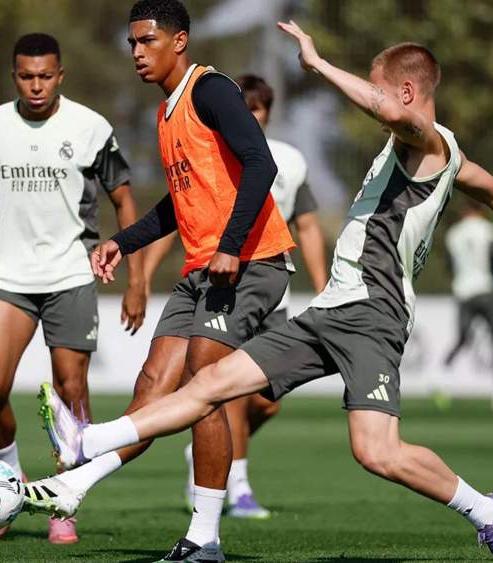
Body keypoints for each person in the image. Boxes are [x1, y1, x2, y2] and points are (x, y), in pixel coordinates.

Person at [26, 20, 493, 563]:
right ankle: (88, 444)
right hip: (331, 308)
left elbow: (398, 117)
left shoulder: (428, 139)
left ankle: (487, 511)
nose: (373, 104)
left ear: (404, 92)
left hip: (374, 313)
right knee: (212, 383)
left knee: (377, 453)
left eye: (378, 89)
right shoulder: (446, 159)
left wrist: (320, 65)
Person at [31, 1, 295, 560]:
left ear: (179, 40)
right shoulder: (166, 113)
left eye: (146, 41)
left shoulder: (211, 89)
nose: (136, 52)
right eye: (131, 43)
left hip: (250, 266)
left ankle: (204, 537)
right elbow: (179, 205)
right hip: (202, 271)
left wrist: (229, 247)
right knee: (152, 388)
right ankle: (74, 484)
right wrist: (120, 243)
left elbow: (261, 164)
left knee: (203, 380)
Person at [0, 32, 146, 544]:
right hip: (9, 276)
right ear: (15, 76)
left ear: (61, 75)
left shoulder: (91, 127)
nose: (36, 86)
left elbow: (124, 200)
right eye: (27, 76)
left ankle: (63, 501)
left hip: (71, 275)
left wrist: (137, 279)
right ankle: (11, 485)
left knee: (71, 395)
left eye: (45, 76)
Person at [180, 73, 328, 520]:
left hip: (273, 292)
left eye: (259, 108)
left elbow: (306, 225)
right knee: (235, 397)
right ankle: (236, 488)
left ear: (268, 111)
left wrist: (322, 288)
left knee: (269, 401)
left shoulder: (289, 161)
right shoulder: (213, 156)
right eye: (245, 107)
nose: (251, 115)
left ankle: (203, 451)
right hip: (231, 289)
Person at [443, 201, 493, 411]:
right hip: (486, 290)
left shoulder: (453, 234)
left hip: (463, 292)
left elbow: (450, 265)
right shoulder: (490, 231)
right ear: (480, 211)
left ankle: (443, 380)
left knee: (462, 338)